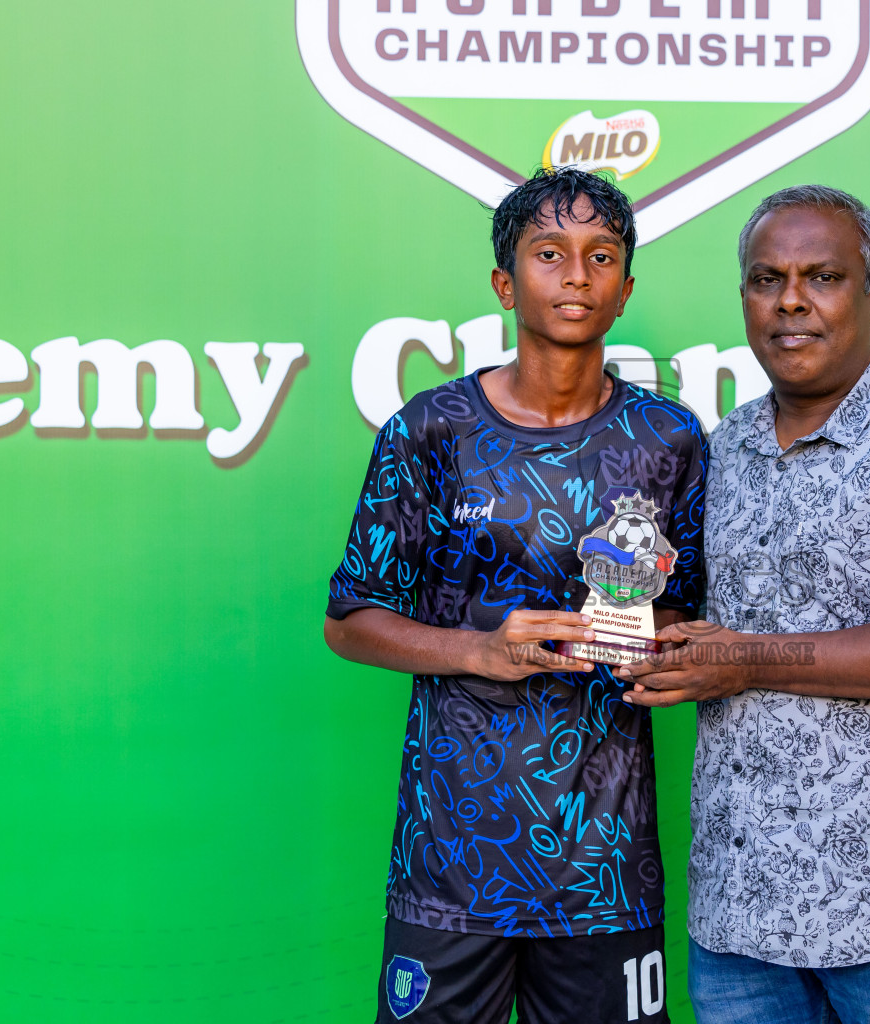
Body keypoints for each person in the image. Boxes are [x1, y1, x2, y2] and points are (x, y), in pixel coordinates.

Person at [620, 185, 870, 1024]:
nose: (790, 301)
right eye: (766, 279)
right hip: (741, 914)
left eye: (823, 278)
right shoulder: (724, 445)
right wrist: (617, 629)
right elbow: (704, 624)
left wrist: (745, 659)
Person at [324, 167, 707, 1024]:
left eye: (600, 256)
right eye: (549, 254)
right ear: (505, 283)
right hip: (450, 860)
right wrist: (478, 650)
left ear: (625, 289)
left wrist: (646, 631)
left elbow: (688, 618)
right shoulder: (431, 429)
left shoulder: (670, 438)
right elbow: (350, 621)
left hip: (605, 864)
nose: (576, 274)